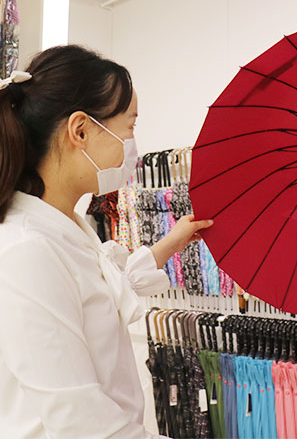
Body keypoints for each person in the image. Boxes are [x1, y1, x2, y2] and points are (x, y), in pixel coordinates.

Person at [0, 45, 212, 438]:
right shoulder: (28, 251)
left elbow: (106, 290)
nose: (133, 144)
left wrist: (171, 243)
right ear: (80, 130)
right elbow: (81, 422)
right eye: (129, 126)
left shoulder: (67, 230)